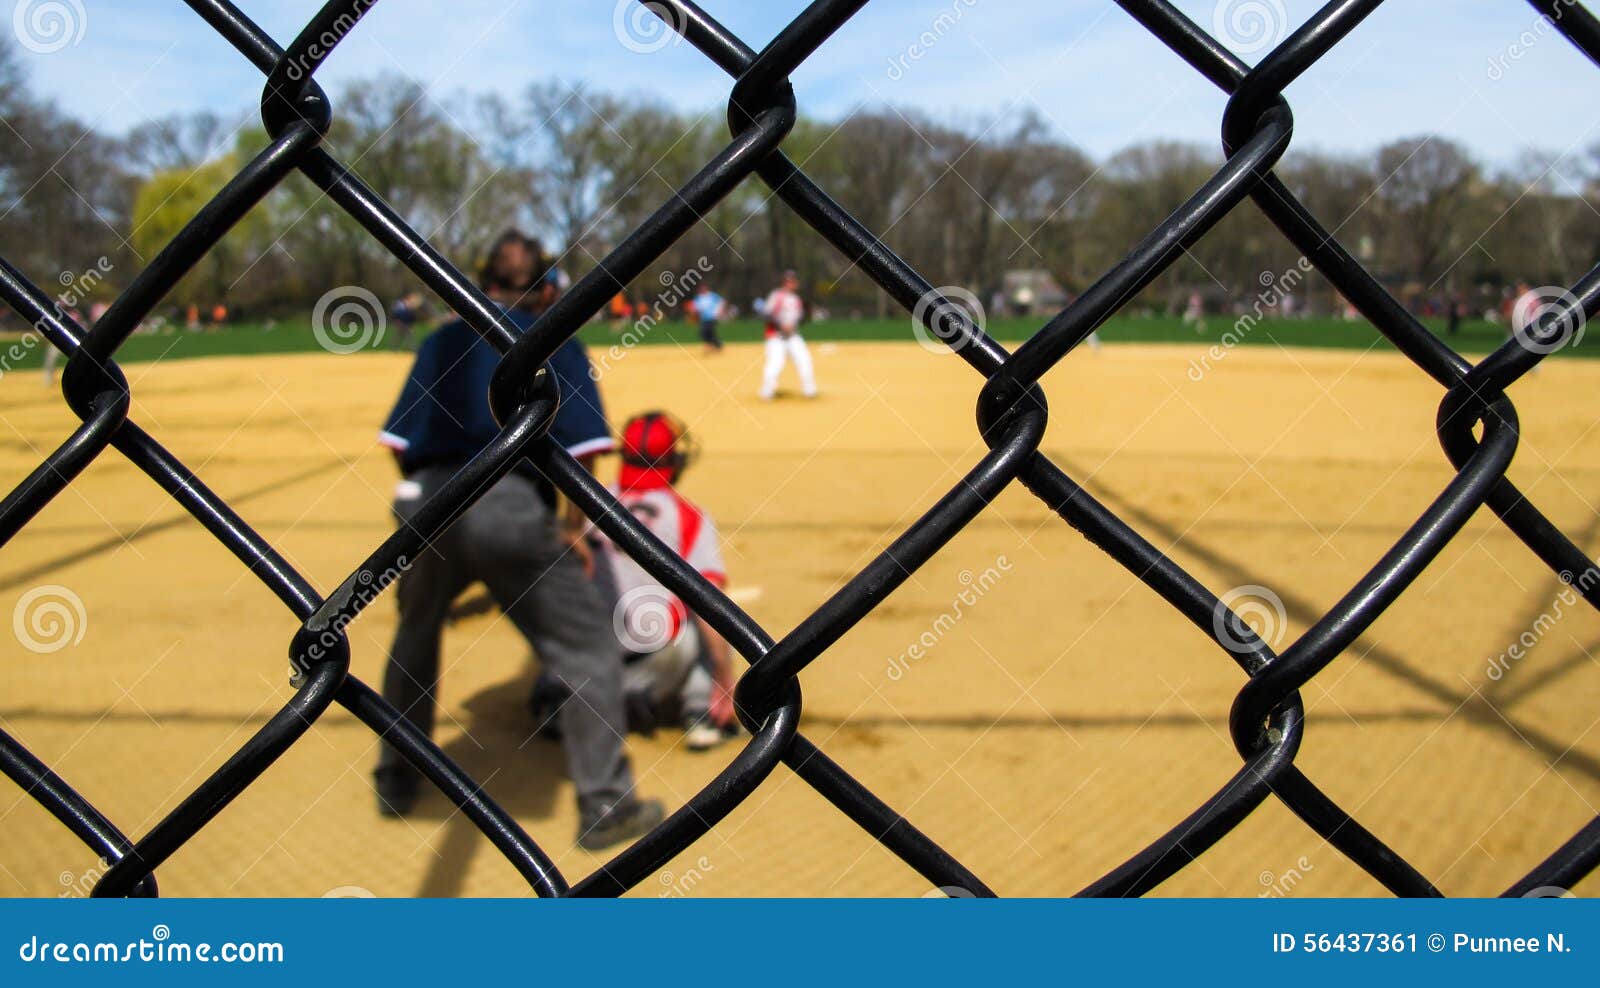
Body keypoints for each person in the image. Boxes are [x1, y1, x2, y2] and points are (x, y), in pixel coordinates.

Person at [374, 229, 663, 850]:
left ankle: (396, 776)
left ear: (480, 284)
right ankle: (606, 807)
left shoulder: (443, 339)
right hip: (510, 504)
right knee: (586, 648)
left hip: (426, 504)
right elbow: (585, 454)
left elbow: (400, 447)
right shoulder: (554, 344)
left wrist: (430, 501)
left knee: (415, 631)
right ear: (548, 290)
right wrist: (570, 529)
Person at [531, 411, 738, 751]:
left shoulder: (584, 505)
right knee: (704, 607)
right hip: (654, 667)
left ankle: (560, 700)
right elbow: (711, 601)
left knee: (563, 595)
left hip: (584, 665)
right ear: (673, 461)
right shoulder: (688, 515)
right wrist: (724, 675)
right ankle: (701, 713)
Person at [759, 270, 817, 400]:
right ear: (784, 282)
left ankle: (810, 390)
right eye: (789, 281)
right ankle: (766, 391)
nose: (792, 283)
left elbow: (800, 319)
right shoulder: (776, 295)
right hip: (776, 336)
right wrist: (781, 325)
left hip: (793, 336)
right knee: (776, 363)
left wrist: (807, 314)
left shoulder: (796, 299)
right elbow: (766, 314)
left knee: (805, 360)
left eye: (793, 281)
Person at [688, 282, 726, 354]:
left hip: (712, 317)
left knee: (707, 331)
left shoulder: (712, 296)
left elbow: (721, 301)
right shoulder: (699, 297)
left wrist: (719, 311)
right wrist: (693, 314)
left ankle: (713, 346)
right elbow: (695, 307)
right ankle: (717, 345)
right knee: (706, 333)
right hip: (703, 318)